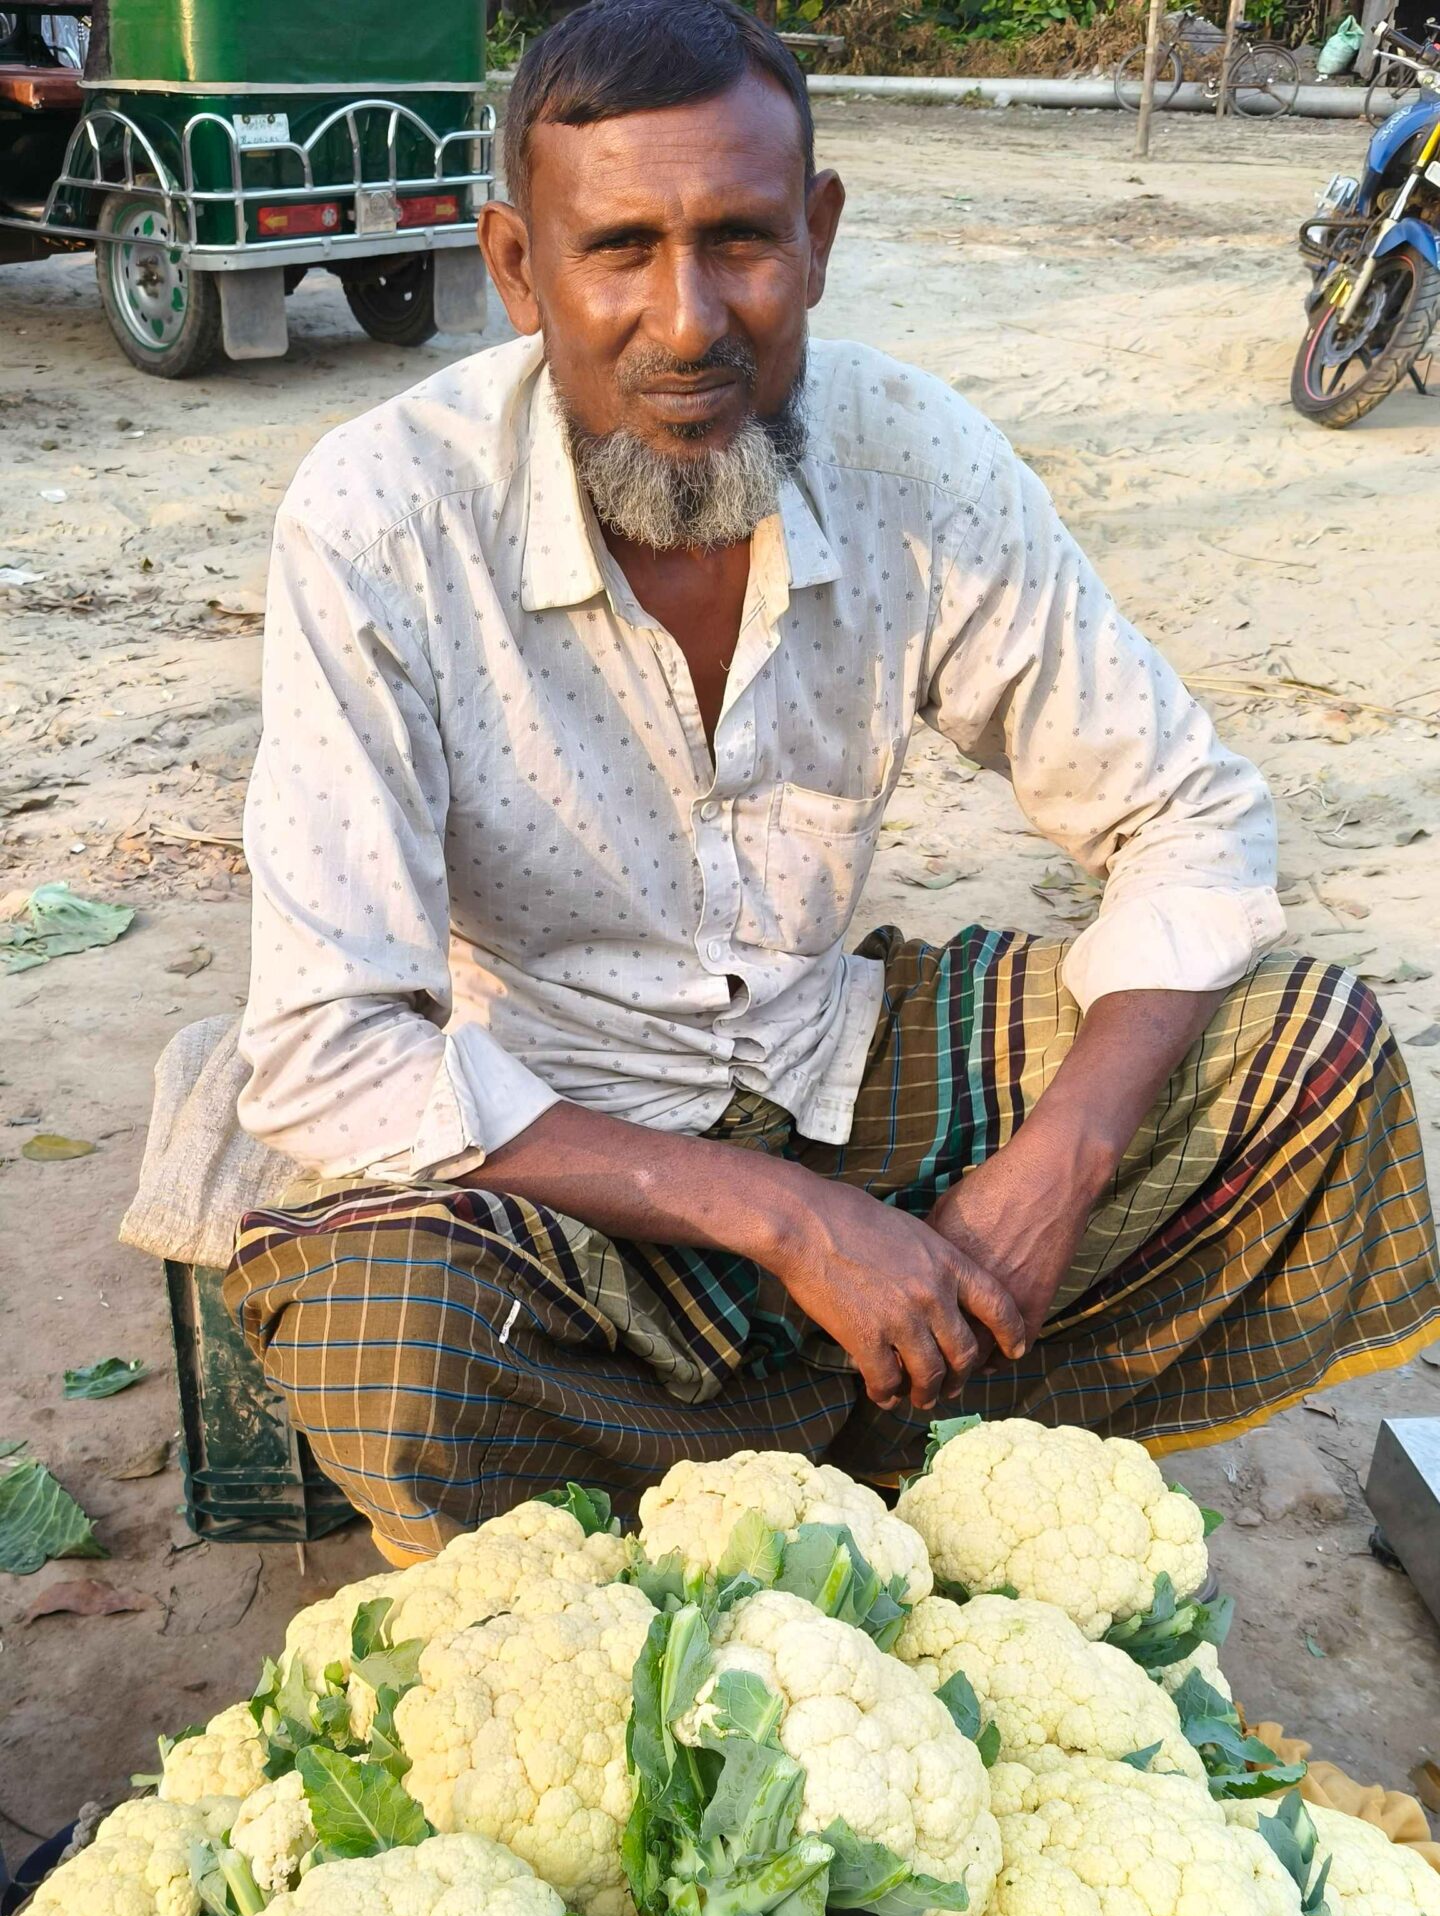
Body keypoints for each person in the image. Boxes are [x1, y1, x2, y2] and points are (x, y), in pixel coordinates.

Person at [226, 0, 1439, 1565]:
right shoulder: (383, 520)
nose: (687, 324)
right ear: (518, 267)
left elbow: (1191, 820)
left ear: (819, 237)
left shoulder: (911, 460)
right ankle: (854, 1444)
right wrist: (790, 1221)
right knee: (382, 1345)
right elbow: (327, 1050)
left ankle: (909, 1446)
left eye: (741, 240)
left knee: (1313, 1056)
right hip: (562, 1137)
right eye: (620, 251)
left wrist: (1054, 1170)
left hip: (828, 1056)